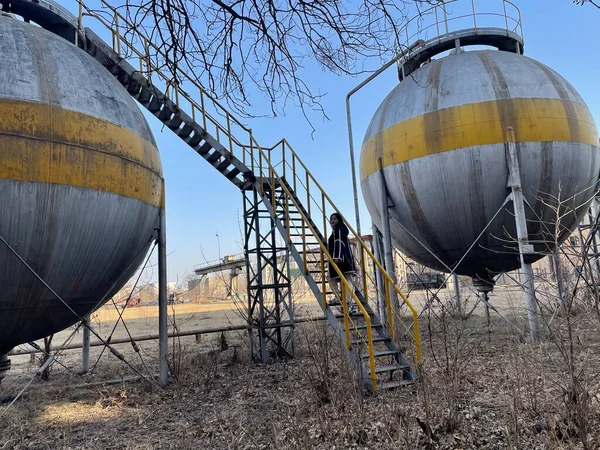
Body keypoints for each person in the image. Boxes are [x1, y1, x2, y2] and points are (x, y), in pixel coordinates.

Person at [327, 213, 358, 314]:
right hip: (346, 259)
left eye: (335, 219)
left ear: (339, 219)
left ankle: (342, 299)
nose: (332, 221)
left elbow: (338, 242)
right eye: (331, 219)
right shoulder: (341, 229)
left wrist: (337, 256)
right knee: (347, 280)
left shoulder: (338, 229)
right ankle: (350, 303)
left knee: (332, 278)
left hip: (341, 260)